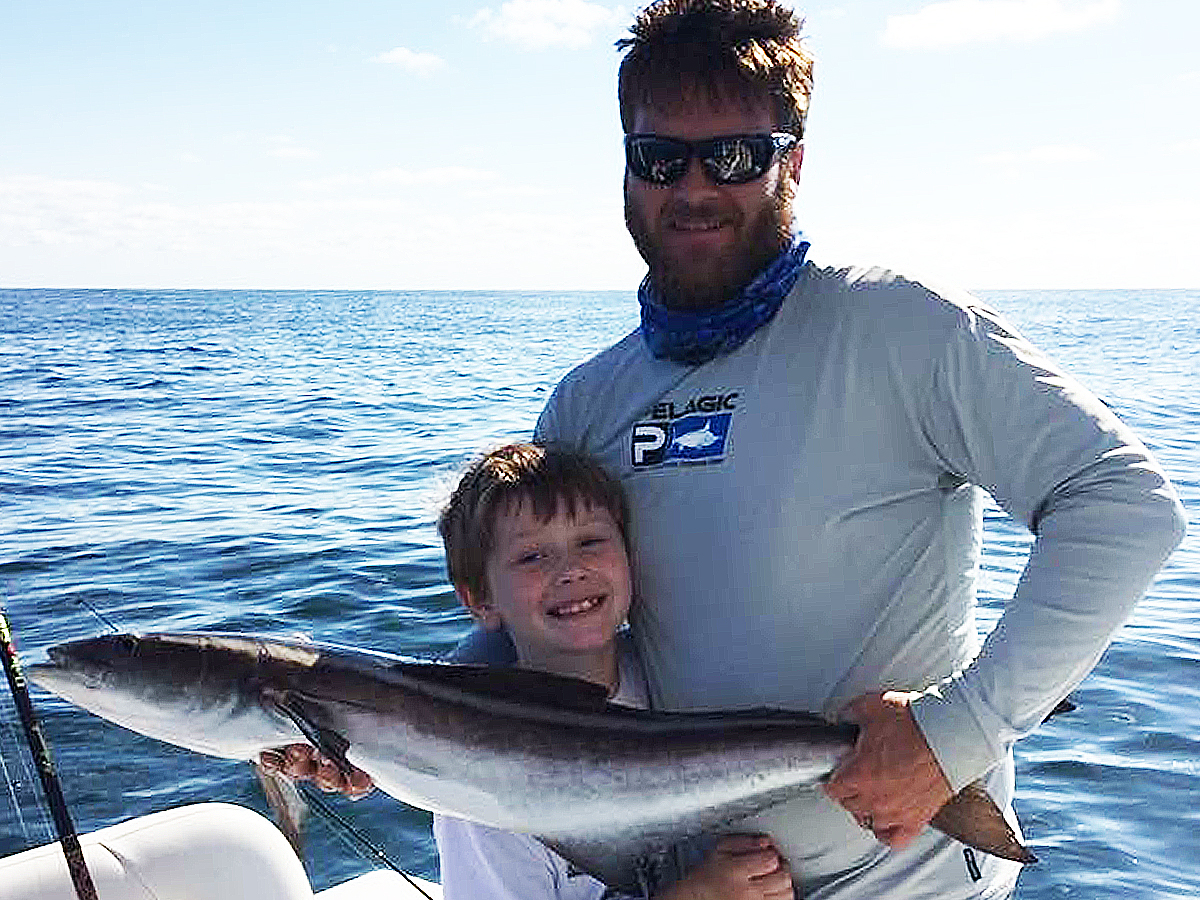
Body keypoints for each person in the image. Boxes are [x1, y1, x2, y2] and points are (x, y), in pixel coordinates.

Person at [517, 1, 1185, 898]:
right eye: (661, 158)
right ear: (628, 169)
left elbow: (1123, 504)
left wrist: (964, 731)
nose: (695, 187)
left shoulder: (899, 326)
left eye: (736, 156)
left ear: (791, 161)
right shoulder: (586, 403)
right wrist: (355, 729)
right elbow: (534, 645)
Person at [267, 441, 797, 900]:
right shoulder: (472, 787)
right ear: (480, 600)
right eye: (531, 557)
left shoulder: (670, 671)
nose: (571, 570)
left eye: (591, 541)